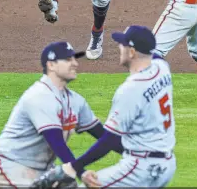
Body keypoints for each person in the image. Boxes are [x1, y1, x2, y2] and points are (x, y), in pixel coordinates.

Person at [32, 25, 176, 188]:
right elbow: (153, 55)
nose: (119, 47)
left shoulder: (130, 90)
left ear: (132, 52)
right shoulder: (162, 68)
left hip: (141, 167)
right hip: (167, 163)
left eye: (123, 45)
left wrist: (73, 167)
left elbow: (109, 139)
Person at [0, 41, 117, 187]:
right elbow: (56, 142)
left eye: (74, 59)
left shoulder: (76, 101)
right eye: (68, 60)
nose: (75, 64)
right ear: (51, 65)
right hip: (12, 167)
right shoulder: (39, 96)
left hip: (44, 169)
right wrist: (81, 172)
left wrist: (139, 154)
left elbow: (106, 137)